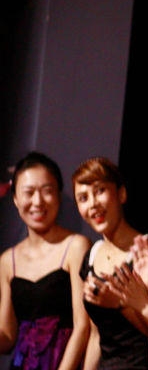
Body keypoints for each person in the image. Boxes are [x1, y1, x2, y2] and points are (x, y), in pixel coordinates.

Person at [0, 151, 90, 370]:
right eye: (28, 193)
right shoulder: (7, 260)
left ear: (58, 195)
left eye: (47, 191)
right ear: (15, 199)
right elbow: (8, 337)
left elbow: (83, 326)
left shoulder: (76, 246)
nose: (38, 201)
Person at [73, 156, 148, 369]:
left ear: (121, 194)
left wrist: (120, 304)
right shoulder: (90, 258)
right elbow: (95, 336)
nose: (93, 204)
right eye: (83, 198)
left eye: (100, 191)